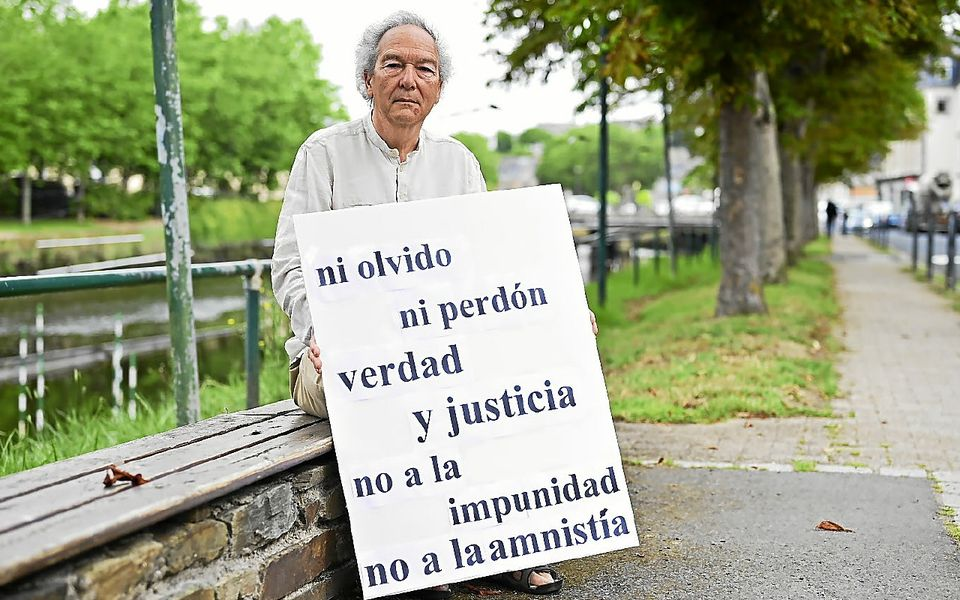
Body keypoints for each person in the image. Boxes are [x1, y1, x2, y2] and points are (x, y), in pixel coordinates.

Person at [272, 11, 578, 598]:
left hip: (439, 359)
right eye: (394, 65)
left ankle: (511, 545)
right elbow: (290, 266)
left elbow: (491, 272)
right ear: (368, 80)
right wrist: (322, 331)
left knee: (510, 390)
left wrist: (556, 310)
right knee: (398, 389)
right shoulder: (324, 154)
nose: (408, 79)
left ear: (438, 88)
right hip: (331, 363)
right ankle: (420, 560)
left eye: (424, 69)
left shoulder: (458, 164)